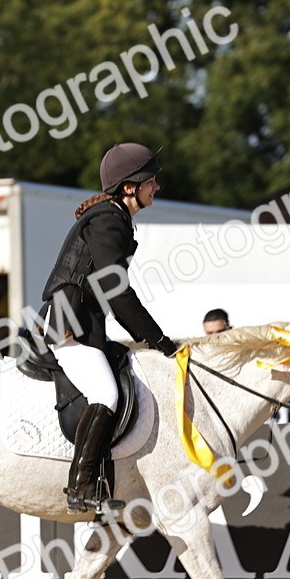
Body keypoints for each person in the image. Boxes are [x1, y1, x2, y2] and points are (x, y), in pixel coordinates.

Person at [38, 142, 179, 512]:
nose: (157, 187)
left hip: (85, 322)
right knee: (107, 393)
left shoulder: (115, 216)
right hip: (70, 325)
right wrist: (159, 340)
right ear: (130, 186)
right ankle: (80, 487)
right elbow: (115, 291)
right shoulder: (108, 219)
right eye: (152, 181)